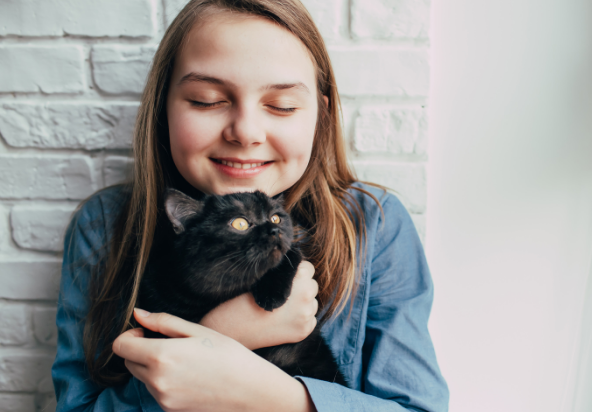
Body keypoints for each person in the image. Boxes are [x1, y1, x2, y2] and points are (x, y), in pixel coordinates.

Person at [51, 0, 448, 411]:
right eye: (206, 100)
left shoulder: (374, 223)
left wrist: (283, 399)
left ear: (320, 116)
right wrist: (217, 336)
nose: (245, 132)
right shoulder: (105, 225)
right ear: (162, 108)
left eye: (282, 106)